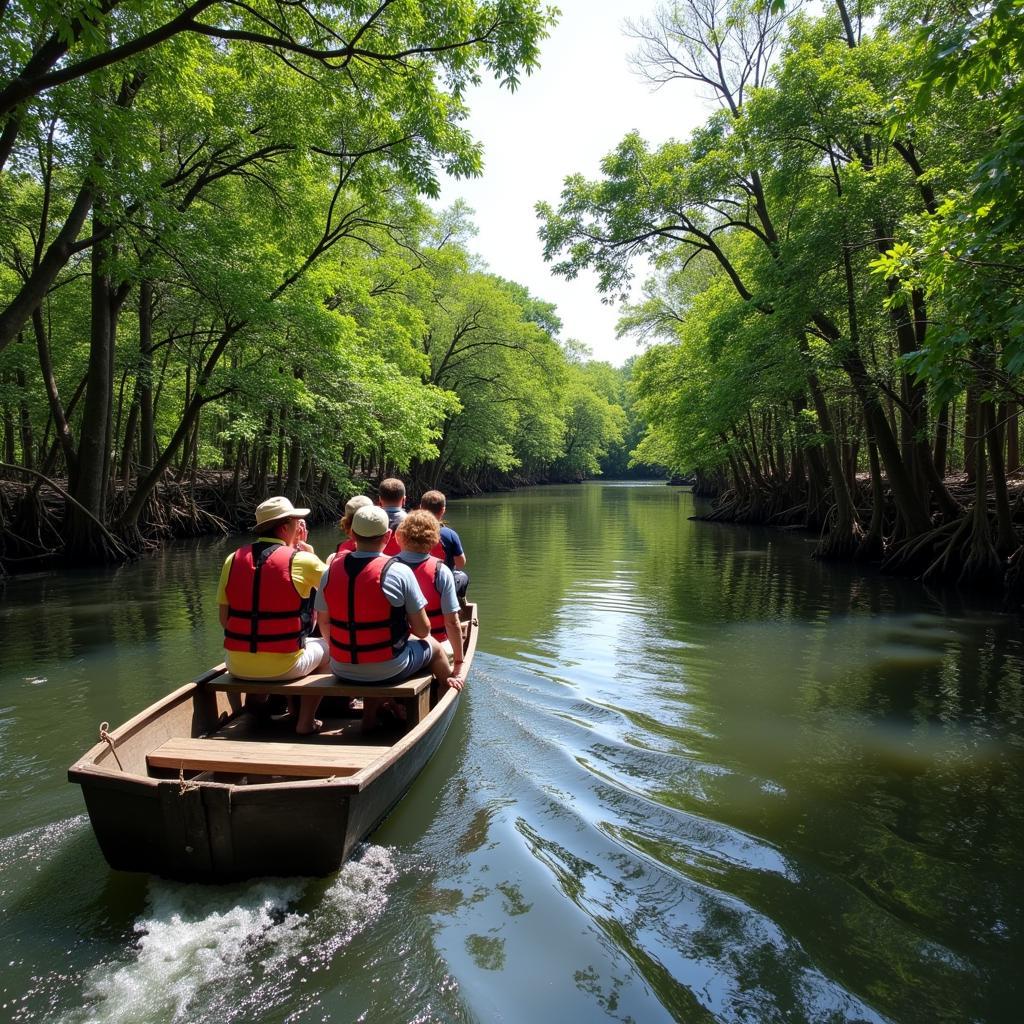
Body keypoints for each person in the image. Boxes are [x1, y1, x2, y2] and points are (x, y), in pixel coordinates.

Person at [316, 505, 463, 732]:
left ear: (352, 534)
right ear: (388, 536)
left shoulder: (330, 570)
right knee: (432, 645)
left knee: (376, 655)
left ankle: (374, 714)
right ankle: (446, 688)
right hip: (388, 668)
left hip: (341, 667)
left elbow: (323, 623)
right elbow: (423, 631)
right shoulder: (398, 571)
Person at [218, 496, 328, 735]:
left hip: (235, 665)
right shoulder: (303, 560)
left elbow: (224, 620)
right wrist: (311, 552)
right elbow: (341, 590)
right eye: (296, 521)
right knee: (326, 648)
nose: (300, 525)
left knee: (275, 647)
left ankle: (259, 703)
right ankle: (306, 721)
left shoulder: (232, 559)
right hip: (285, 666)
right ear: (284, 526)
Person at [396, 510, 466, 667]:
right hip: (437, 642)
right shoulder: (441, 570)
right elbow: (452, 623)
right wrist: (459, 662)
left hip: (398, 647)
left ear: (399, 537)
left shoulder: (387, 568)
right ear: (435, 540)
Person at [419, 489, 469, 601]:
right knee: (462, 577)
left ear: (421, 508)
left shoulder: (410, 532)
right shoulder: (449, 534)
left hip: (417, 581)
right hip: (442, 584)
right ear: (443, 510)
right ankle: (459, 605)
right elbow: (460, 563)